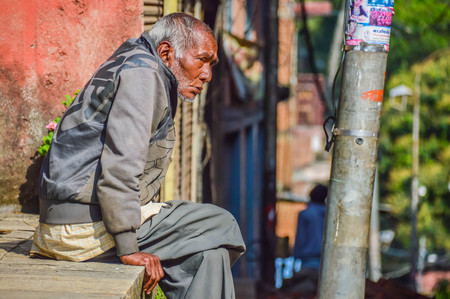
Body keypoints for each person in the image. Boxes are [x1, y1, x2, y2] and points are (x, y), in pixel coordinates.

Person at [30, 13, 245, 299]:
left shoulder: (134, 57)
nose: (207, 75)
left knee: (209, 257)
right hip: (82, 230)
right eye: (202, 60)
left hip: (72, 221)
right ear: (166, 53)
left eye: (211, 64)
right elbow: (120, 167)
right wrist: (129, 248)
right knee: (222, 223)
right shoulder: (144, 76)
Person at [285, 184, 328, 296]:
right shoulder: (330, 215)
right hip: (327, 262)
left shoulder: (305, 214)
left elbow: (300, 239)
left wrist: (295, 260)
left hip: (308, 263)